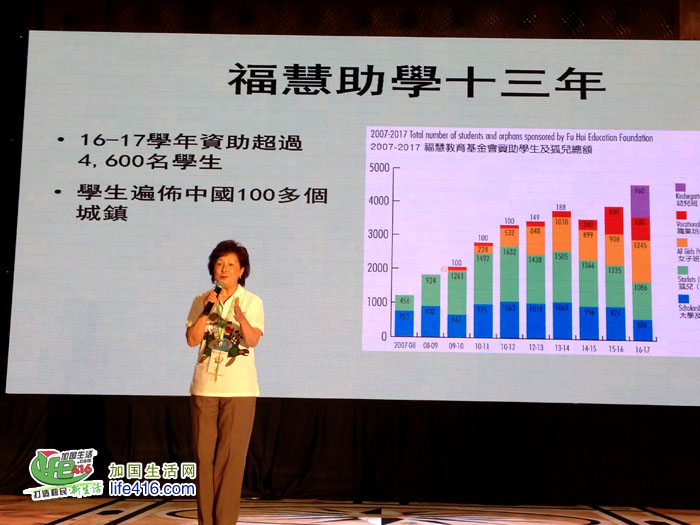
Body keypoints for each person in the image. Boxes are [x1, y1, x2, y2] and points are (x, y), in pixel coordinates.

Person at [185, 240, 264, 525]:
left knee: (230, 462)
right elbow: (192, 339)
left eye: (231, 264)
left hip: (240, 390)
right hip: (204, 388)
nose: (224, 269)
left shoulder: (252, 301)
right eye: (219, 264)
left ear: (242, 270)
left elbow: (252, 340)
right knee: (203, 459)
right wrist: (206, 311)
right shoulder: (201, 299)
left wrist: (241, 318)